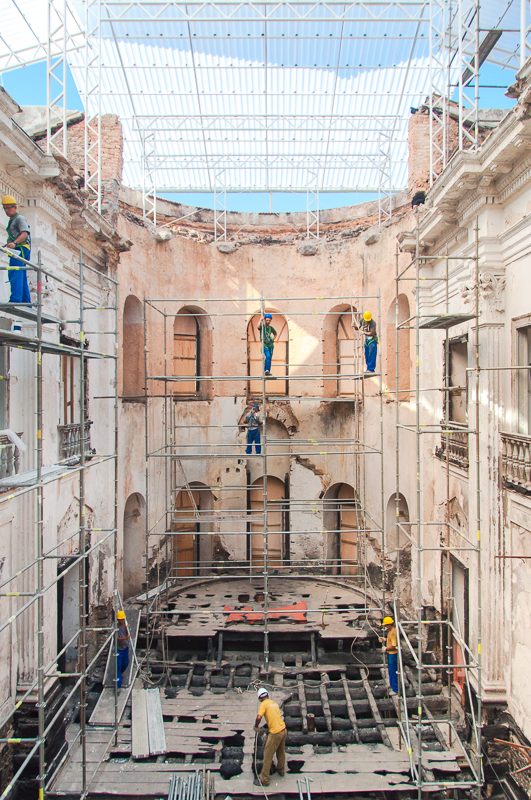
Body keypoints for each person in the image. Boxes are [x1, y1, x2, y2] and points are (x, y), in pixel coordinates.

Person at [253, 687, 286, 787]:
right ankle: (281, 770)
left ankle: (264, 780)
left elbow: (259, 717)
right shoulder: (274, 703)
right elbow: (275, 719)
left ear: (260, 698)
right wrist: (268, 730)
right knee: (280, 752)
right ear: (267, 695)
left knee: (267, 755)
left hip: (275, 733)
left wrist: (256, 726)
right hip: (283, 730)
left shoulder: (263, 704)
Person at [2, 196, 31, 305]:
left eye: (8, 208)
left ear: (15, 207)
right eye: (4, 208)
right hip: (18, 248)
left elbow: (24, 233)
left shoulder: (19, 218)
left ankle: (15, 299)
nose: (6, 211)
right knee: (21, 274)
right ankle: (25, 301)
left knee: (15, 272)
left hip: (20, 249)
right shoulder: (13, 220)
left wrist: (14, 243)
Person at [379, 615, 398, 693]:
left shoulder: (393, 633)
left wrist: (386, 648)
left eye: (386, 625)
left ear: (390, 625)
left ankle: (395, 689)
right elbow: (390, 640)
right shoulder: (391, 631)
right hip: (391, 654)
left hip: (393, 654)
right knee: (390, 671)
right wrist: (385, 639)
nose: (386, 627)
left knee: (393, 671)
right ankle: (392, 685)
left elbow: (394, 645)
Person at [116, 609, 131, 689]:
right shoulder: (116, 627)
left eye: (122, 619)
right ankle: (118, 686)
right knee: (118, 665)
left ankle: (122, 672)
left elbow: (129, 633)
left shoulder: (125, 626)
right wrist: (125, 638)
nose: (122, 620)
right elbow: (117, 638)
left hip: (125, 647)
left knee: (126, 663)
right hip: (118, 649)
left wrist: (127, 629)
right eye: (120, 619)